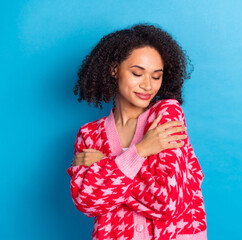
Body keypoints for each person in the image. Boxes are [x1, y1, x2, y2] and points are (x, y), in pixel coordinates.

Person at [67, 23, 207, 240]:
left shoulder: (166, 115)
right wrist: (140, 151)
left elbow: (168, 202)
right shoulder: (89, 134)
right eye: (137, 73)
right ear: (115, 70)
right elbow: (87, 203)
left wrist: (105, 165)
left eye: (156, 76)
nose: (148, 86)